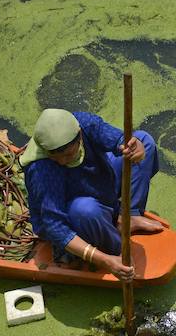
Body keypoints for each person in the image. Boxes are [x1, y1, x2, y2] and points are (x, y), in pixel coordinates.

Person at [19, 108, 164, 281]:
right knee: (85, 210)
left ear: (79, 136)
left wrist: (135, 147)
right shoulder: (42, 168)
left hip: (99, 186)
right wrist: (105, 260)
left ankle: (128, 216)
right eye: (56, 157)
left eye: (69, 154)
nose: (63, 161)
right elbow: (55, 226)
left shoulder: (84, 124)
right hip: (76, 214)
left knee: (144, 140)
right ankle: (114, 248)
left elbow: (120, 140)